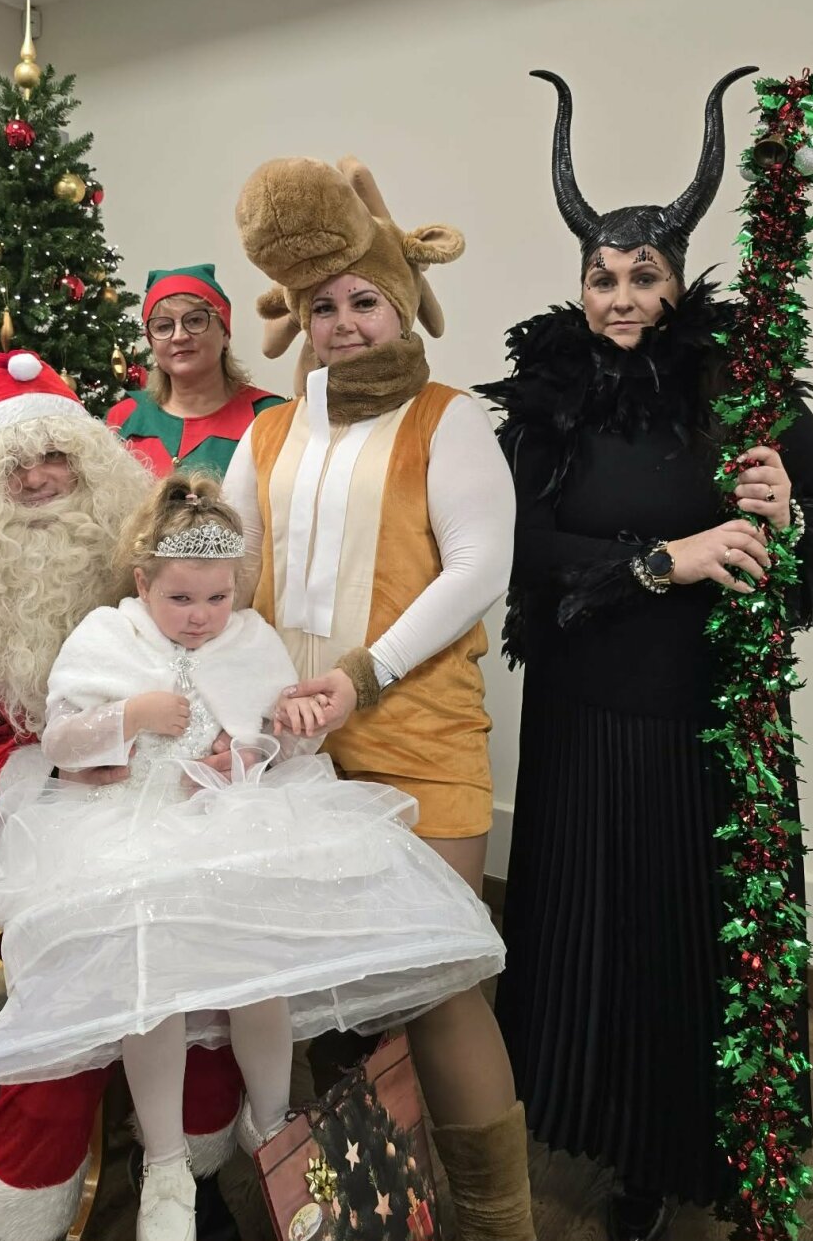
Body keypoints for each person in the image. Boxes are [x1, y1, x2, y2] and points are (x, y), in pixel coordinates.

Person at [475, 69, 813, 1241]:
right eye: (603, 275)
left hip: (703, 723)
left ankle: (687, 1151)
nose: (621, 296)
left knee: (682, 939)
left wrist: (785, 510)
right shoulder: (546, 401)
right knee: (589, 935)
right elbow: (520, 547)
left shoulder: (743, 390)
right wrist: (664, 558)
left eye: (643, 275)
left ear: (681, 281)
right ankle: (602, 1135)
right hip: (580, 718)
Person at [0, 469, 505, 1241]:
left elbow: (281, 741)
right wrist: (131, 716)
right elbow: (62, 741)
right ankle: (166, 1162)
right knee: (152, 988)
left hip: (233, 827)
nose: (200, 617)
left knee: (257, 976)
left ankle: (271, 1122)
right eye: (179, 599)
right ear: (142, 583)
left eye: (216, 597)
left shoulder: (250, 638)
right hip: (129, 831)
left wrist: (255, 748)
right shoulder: (106, 636)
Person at [228, 156, 535, 1241]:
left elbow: (480, 568)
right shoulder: (269, 432)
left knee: (438, 980)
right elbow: (229, 570)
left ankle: (499, 1222)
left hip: (417, 735)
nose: (345, 323)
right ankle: (364, 1204)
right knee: (318, 984)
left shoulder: (450, 419)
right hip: (295, 753)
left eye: (366, 300)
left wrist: (360, 675)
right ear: (300, 321)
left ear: (402, 306)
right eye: (325, 307)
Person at [0, 352, 248, 1241]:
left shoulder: (135, 562)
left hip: (177, 808)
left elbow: (219, 664)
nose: (38, 478)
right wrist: (59, 773)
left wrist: (232, 738)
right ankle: (22, 1203)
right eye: (15, 464)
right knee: (69, 1015)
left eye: (56, 456)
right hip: (46, 827)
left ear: (89, 462)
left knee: (207, 992)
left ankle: (188, 1176)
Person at [107, 264, 284, 476]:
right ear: (152, 342)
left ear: (225, 332)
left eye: (195, 321)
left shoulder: (270, 416)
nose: (179, 336)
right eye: (163, 326)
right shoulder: (123, 418)